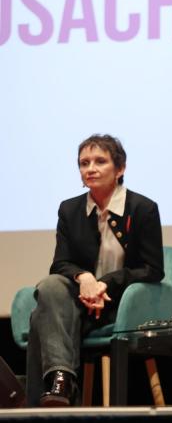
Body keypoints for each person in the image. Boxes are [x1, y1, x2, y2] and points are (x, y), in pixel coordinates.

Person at [26, 135, 164, 407]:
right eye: (84, 163)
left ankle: (53, 396)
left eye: (100, 161)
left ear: (120, 168)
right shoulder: (69, 209)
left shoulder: (143, 209)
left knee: (39, 319)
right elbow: (60, 263)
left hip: (119, 303)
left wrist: (105, 284)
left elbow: (153, 269)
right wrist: (85, 278)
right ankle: (62, 378)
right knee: (50, 286)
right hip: (78, 300)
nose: (90, 168)